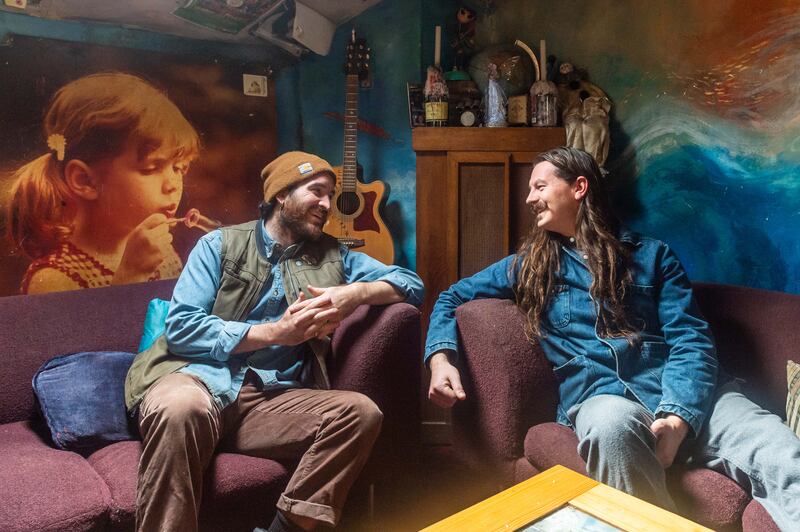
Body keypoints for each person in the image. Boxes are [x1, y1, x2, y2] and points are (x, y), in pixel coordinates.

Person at [424, 146, 800, 529]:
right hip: (602, 397)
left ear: (579, 187)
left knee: (780, 451)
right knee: (610, 427)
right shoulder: (530, 266)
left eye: (539, 186)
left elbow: (692, 340)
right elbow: (451, 296)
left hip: (696, 395)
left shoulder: (655, 257)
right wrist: (441, 360)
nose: (529, 198)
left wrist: (678, 417)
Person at [124, 150, 424, 531]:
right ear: (282, 195)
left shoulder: (335, 256)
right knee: (181, 408)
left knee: (361, 413)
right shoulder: (218, 245)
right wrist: (274, 333)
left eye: (330, 196)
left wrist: (355, 294)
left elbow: (412, 284)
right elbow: (182, 327)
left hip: (270, 401)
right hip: (197, 381)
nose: (327, 205)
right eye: (317, 192)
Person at [5, 72, 200, 294]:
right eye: (151, 169)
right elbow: (91, 330)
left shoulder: (163, 254)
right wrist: (131, 276)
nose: (173, 185)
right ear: (85, 180)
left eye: (179, 168)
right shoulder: (54, 278)